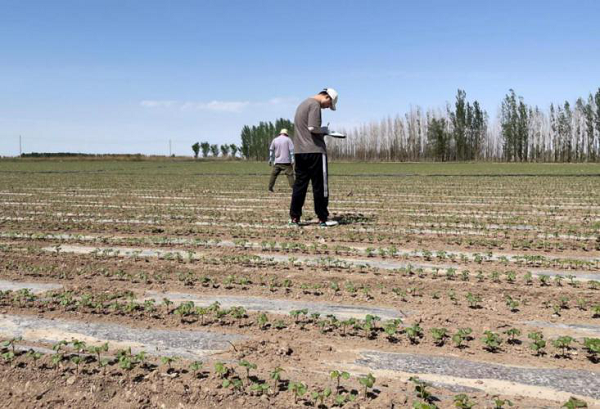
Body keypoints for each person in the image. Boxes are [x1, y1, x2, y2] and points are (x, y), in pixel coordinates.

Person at [289, 88, 339, 227]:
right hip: (315, 151)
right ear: (326, 97)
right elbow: (312, 127)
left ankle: (294, 217)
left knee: (300, 185)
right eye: (329, 104)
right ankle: (322, 218)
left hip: (299, 151)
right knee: (320, 186)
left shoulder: (302, 104)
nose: (327, 107)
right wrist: (325, 130)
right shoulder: (315, 105)